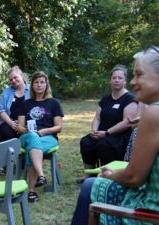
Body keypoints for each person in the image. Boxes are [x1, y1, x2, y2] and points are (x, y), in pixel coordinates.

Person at [71, 45, 159, 225]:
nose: (133, 82)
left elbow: (133, 177)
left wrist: (110, 174)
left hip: (150, 210)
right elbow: (98, 116)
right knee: (87, 142)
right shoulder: (147, 110)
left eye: (139, 74)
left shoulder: (154, 113)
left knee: (90, 186)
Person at [77, 64, 138, 184]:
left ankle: (106, 175)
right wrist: (94, 131)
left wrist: (107, 133)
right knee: (85, 142)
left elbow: (126, 123)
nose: (116, 80)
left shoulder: (129, 99)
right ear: (110, 80)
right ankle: (89, 175)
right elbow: (97, 118)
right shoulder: (105, 99)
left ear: (125, 81)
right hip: (101, 133)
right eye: (114, 78)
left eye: (120, 78)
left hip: (119, 136)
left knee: (103, 145)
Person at [17, 71, 64, 202]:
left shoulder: (54, 103)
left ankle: (31, 191)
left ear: (46, 85)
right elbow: (19, 128)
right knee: (32, 137)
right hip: (26, 136)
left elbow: (58, 127)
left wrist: (43, 132)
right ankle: (41, 175)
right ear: (32, 85)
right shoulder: (25, 104)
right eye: (36, 82)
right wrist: (28, 130)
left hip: (48, 136)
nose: (39, 85)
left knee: (33, 147)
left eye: (42, 82)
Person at [0, 65, 30, 142]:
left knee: (28, 135)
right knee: (6, 133)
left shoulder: (32, 90)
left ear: (21, 76)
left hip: (27, 122)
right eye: (11, 80)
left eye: (15, 77)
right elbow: (1, 110)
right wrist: (11, 123)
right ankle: (8, 153)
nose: (13, 81)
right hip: (9, 123)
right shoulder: (6, 92)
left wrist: (21, 126)